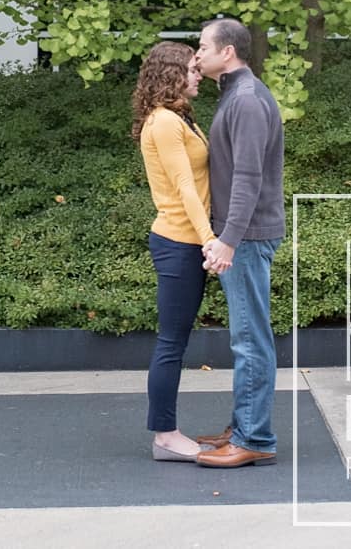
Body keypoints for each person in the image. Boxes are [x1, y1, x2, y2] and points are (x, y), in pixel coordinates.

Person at [192, 16, 286, 468]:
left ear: (227, 52)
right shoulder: (236, 95)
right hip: (242, 235)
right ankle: (244, 426)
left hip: (246, 237)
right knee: (248, 337)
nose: (197, 54)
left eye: (203, 47)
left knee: (250, 340)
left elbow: (249, 178)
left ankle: (255, 439)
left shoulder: (246, 100)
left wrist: (228, 240)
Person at [133, 39, 213, 461]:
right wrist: (210, 240)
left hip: (187, 241)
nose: (198, 74)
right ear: (172, 73)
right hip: (179, 242)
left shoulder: (179, 118)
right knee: (171, 343)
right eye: (192, 68)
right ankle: (164, 435)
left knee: (175, 341)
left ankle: (166, 433)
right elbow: (185, 188)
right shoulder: (164, 122)